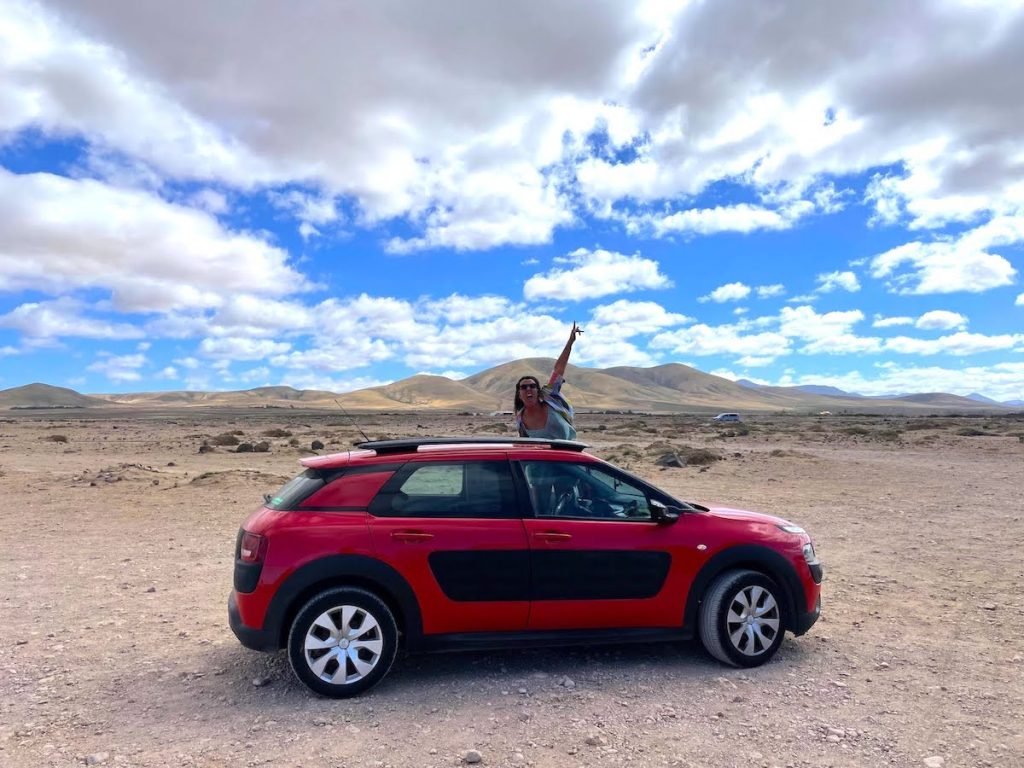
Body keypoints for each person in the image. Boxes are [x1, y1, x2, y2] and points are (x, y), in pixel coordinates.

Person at [515, 322, 582, 440]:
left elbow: (558, 370)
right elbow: (524, 442)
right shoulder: (521, 418)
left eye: (532, 386)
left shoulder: (550, 397)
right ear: (519, 394)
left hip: (569, 454)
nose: (528, 389)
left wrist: (570, 342)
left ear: (538, 390)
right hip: (545, 458)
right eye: (524, 387)